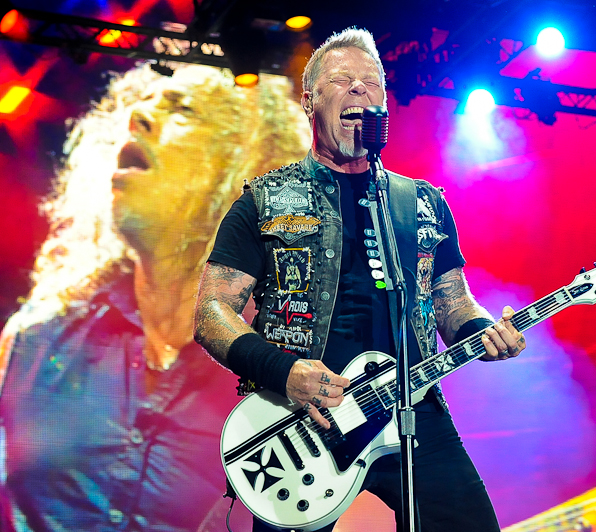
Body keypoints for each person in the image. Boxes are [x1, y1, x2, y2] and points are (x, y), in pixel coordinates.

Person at [193, 27, 527, 532]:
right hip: (305, 418)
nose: (358, 90)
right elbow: (211, 314)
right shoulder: (263, 202)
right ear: (309, 102)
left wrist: (485, 331)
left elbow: (454, 305)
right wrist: (285, 372)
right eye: (341, 80)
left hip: (411, 405)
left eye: (371, 83)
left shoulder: (422, 203)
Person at [0, 63, 310, 531]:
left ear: (246, 161)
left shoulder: (283, 361)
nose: (138, 116)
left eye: (180, 109)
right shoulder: (33, 338)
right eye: (139, 106)